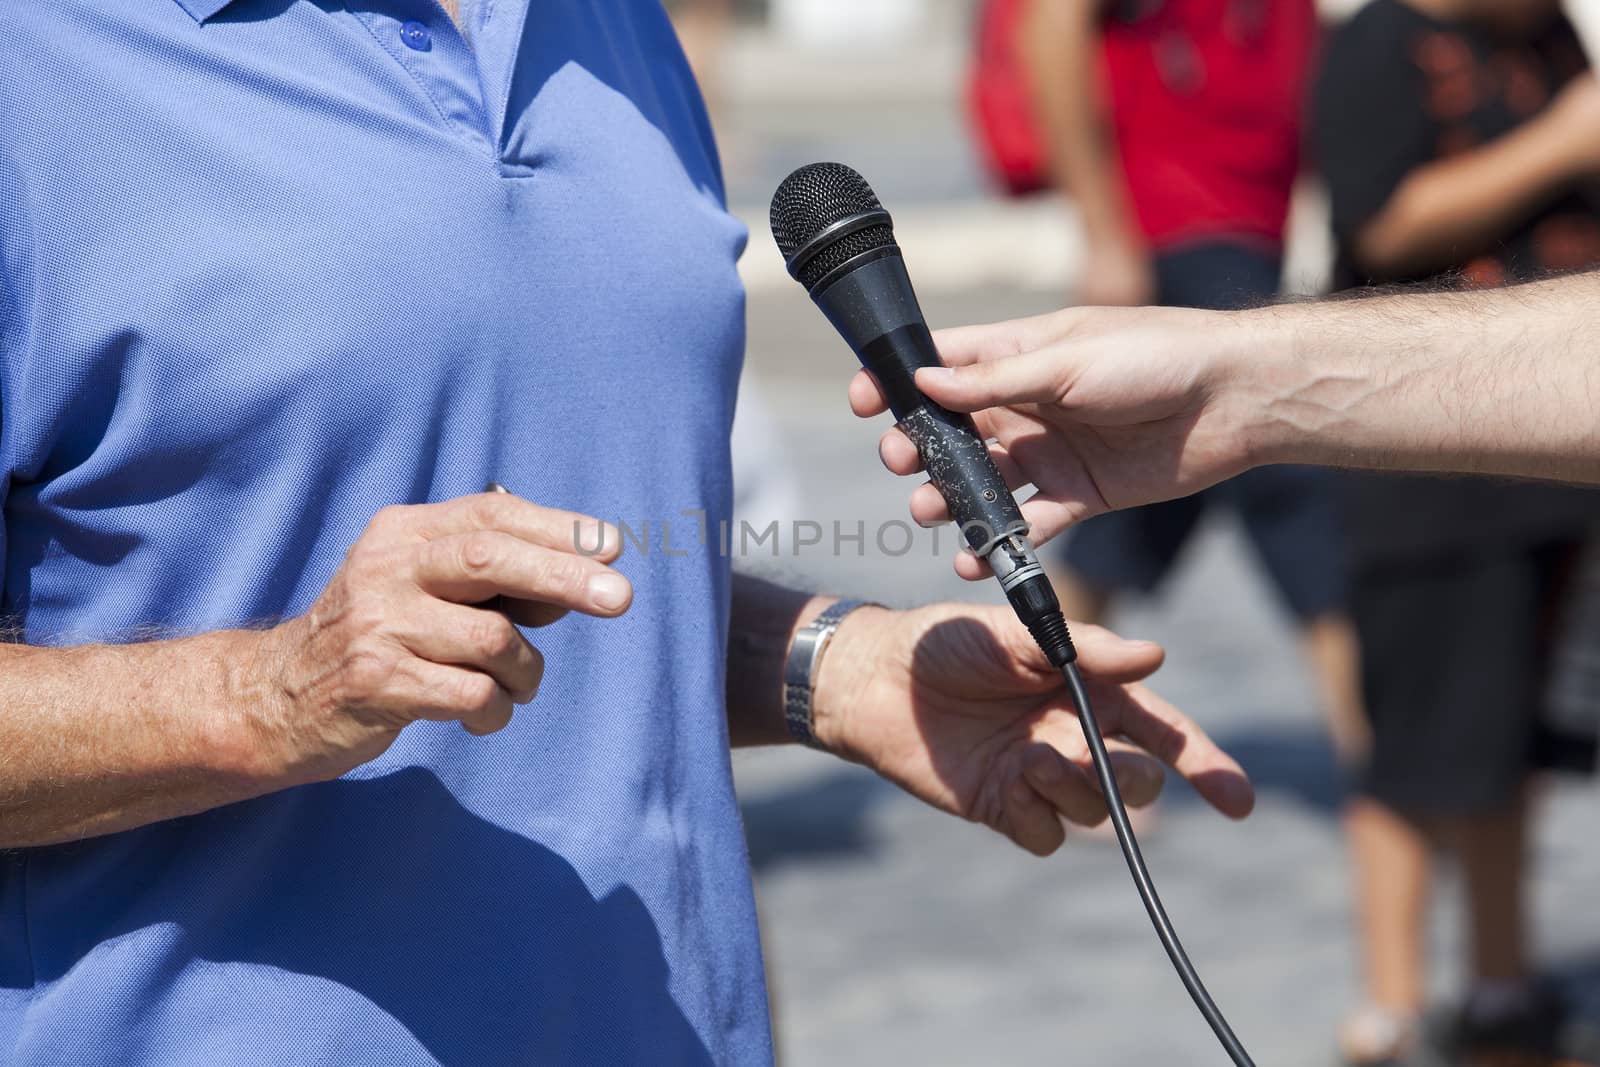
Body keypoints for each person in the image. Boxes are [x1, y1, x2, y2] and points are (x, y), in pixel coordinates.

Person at [0, 3, 1257, 1064]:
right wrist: (270, 692)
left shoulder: (616, 39)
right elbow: (335, 645)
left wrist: (826, 662)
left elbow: (558, 572)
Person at [1311, 3, 1600, 1061]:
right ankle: (1390, 1006)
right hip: (1428, 470)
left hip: (1553, 474)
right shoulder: (1379, 43)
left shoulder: (1545, 37)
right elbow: (1379, 222)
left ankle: (1498, 983)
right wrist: (1561, 142)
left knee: (1509, 751)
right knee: (1413, 751)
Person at [1016, 0, 1364, 763]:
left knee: (1139, 503)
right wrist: (1104, 231)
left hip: (1251, 232)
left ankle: (1048, 726)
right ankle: (1376, 750)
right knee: (1297, 478)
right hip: (1176, 235)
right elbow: (1048, 27)